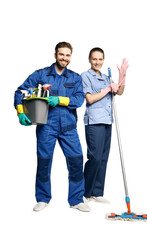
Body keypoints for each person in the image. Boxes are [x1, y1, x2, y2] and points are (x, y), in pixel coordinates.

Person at [14, 42, 90, 212]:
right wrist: (21, 112)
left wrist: (61, 100)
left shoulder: (75, 78)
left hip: (69, 127)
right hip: (46, 125)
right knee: (44, 162)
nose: (64, 58)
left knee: (76, 161)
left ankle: (76, 200)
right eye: (61, 54)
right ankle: (42, 198)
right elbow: (20, 92)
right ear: (55, 55)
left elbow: (79, 99)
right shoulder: (41, 75)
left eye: (68, 55)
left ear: (71, 57)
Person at [81, 47, 129, 202]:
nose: (97, 62)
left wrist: (122, 77)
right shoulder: (85, 76)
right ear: (89, 59)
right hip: (94, 121)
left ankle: (97, 193)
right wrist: (107, 89)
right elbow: (89, 99)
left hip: (108, 121)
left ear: (103, 60)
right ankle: (85, 193)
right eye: (94, 59)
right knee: (94, 157)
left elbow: (119, 92)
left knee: (103, 158)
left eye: (100, 59)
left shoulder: (106, 76)